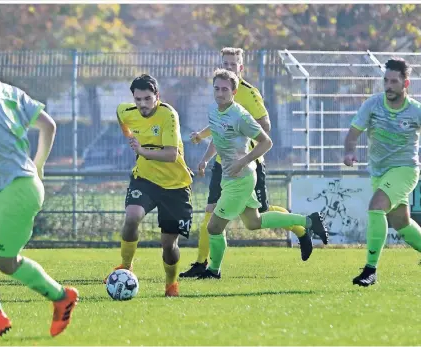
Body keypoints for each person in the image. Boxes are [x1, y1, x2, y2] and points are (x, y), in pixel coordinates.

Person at [0, 42, 78, 342]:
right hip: (3, 186)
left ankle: (61, 296)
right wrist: (38, 166)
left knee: (7, 263)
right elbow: (48, 126)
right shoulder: (10, 91)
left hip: (17, 189)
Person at [180, 47, 326, 278]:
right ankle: (308, 221)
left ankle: (213, 270)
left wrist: (243, 160)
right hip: (229, 175)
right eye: (216, 89)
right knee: (254, 222)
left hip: (241, 176)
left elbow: (266, 141)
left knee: (214, 226)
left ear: (234, 90)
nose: (219, 93)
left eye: (224, 89)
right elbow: (218, 134)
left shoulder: (240, 114)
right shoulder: (214, 110)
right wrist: (204, 155)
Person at [105, 74, 193, 297]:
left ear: (157, 97)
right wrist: (128, 135)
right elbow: (121, 117)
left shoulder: (168, 115)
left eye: (147, 98)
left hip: (175, 186)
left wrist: (142, 151)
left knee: (168, 246)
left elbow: (172, 154)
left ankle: (171, 284)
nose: (142, 104)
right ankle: (125, 265)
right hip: (144, 179)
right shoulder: (127, 111)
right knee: (132, 216)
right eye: (138, 99)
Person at [344, 57, 421, 286]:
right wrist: (349, 153)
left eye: (394, 81)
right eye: (385, 81)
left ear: (405, 84)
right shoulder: (373, 104)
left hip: (405, 170)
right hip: (379, 172)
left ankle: (370, 270)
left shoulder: (415, 111)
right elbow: (353, 134)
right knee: (401, 222)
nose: (388, 86)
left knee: (376, 206)